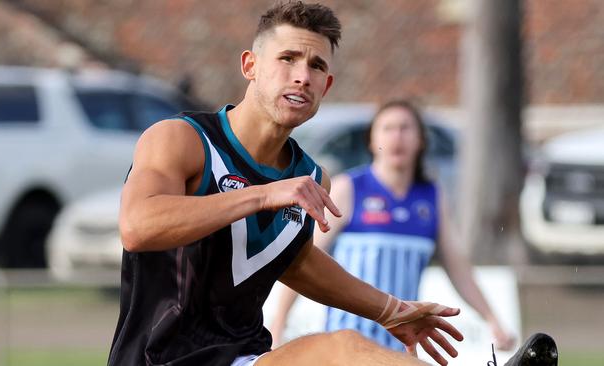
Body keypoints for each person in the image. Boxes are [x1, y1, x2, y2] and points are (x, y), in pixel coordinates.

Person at [107, 2, 464, 366]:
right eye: (288, 58)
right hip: (160, 359)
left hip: (246, 357)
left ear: (326, 86)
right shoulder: (181, 139)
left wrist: (390, 310)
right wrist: (261, 195)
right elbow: (138, 226)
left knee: (348, 350)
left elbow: (296, 261)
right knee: (341, 350)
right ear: (250, 66)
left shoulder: (309, 177)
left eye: (316, 66)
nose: (302, 76)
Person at [269, 100, 516, 353]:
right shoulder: (349, 189)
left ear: (420, 140)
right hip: (349, 347)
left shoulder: (431, 197)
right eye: (387, 128)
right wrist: (278, 325)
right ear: (371, 139)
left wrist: (492, 320)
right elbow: (304, 260)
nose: (397, 136)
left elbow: (458, 269)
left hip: (400, 347)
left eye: (405, 128)